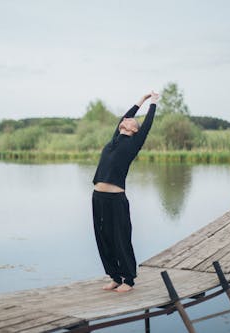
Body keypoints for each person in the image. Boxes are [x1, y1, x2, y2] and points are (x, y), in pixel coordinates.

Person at [92, 91, 159, 292]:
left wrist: (153, 103)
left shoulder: (134, 143)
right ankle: (114, 276)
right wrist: (141, 99)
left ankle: (128, 279)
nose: (128, 119)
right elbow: (125, 116)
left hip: (115, 199)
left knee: (120, 237)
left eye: (132, 120)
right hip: (98, 197)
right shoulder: (115, 139)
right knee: (103, 238)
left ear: (134, 130)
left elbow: (147, 124)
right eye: (126, 119)